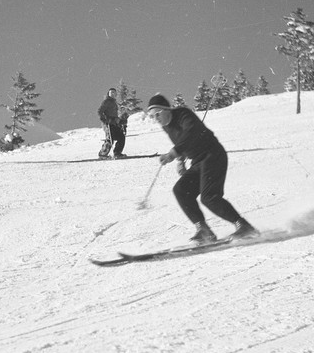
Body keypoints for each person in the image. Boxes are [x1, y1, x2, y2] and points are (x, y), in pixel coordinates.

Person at [146, 93, 257, 243]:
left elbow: (191, 133)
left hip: (213, 155)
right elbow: (181, 141)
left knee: (209, 197)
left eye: (157, 114)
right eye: (152, 117)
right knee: (181, 190)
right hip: (198, 161)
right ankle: (204, 231)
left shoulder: (183, 114)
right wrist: (180, 160)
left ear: (167, 110)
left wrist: (173, 153)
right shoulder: (167, 127)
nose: (156, 119)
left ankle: (244, 226)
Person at [97, 87, 127, 159]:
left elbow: (114, 115)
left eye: (114, 92)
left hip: (114, 123)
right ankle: (103, 154)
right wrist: (105, 120)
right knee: (110, 138)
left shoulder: (114, 103)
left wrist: (120, 121)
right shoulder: (107, 101)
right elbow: (100, 111)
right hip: (109, 123)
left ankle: (117, 153)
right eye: (111, 92)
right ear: (109, 94)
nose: (113, 94)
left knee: (121, 137)